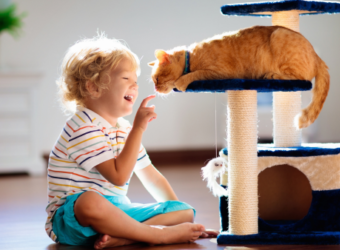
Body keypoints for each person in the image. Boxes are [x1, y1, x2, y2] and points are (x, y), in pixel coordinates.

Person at [45, 35, 217, 249]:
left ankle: (124, 237)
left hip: (116, 214)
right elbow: (118, 176)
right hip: (71, 220)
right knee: (89, 201)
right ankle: (155, 235)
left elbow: (152, 178)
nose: (135, 85)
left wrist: (180, 215)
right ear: (93, 88)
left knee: (185, 211)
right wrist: (138, 129)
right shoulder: (82, 127)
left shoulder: (123, 128)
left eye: (136, 80)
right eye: (126, 79)